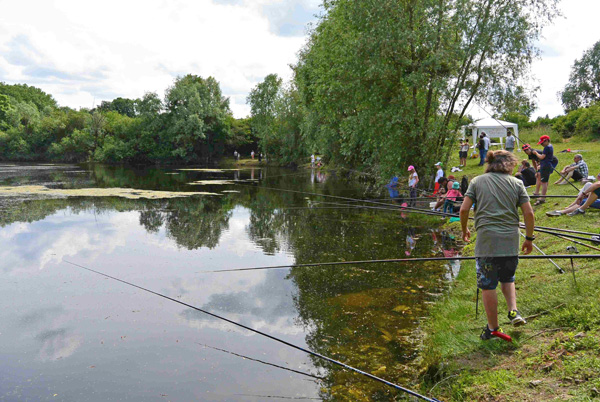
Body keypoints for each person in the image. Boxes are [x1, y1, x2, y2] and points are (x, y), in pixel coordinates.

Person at [460, 150, 534, 341]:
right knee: (508, 277)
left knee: (488, 284)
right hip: (511, 239)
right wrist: (529, 238)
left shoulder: (477, 181)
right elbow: (529, 214)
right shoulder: (517, 183)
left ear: (489, 163)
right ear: (509, 164)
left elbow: (464, 208)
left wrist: (464, 230)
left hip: (486, 241)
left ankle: (493, 329)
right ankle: (513, 312)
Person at [530, 135, 555, 205]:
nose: (541, 144)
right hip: (547, 165)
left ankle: (542, 197)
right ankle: (543, 196)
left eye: (542, 143)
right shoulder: (550, 146)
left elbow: (542, 157)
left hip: (545, 166)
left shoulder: (547, 148)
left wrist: (536, 153)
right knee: (545, 181)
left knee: (543, 182)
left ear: (546, 141)